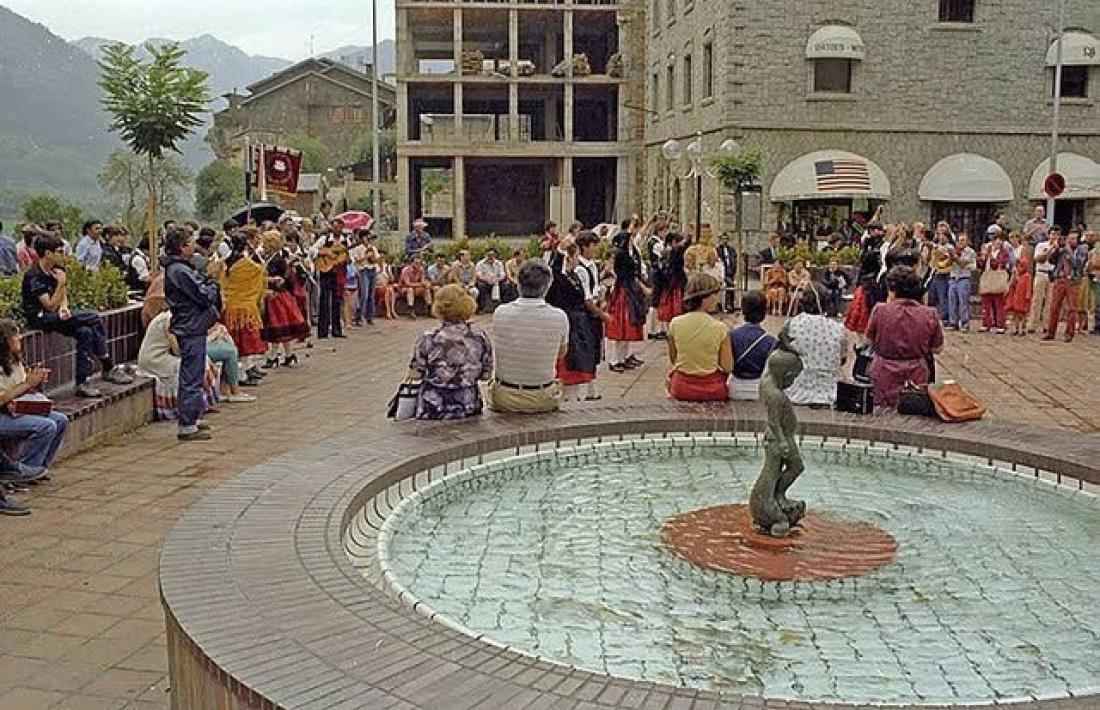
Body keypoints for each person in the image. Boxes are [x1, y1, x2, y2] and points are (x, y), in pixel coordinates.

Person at [20, 233, 133, 397]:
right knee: (93, 317)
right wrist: (61, 283)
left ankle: (82, 381)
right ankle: (108, 365)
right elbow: (49, 304)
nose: (63, 255)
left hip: (57, 314)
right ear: (48, 253)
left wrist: (64, 307)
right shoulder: (34, 276)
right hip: (41, 317)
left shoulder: (57, 270)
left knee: (85, 333)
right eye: (59, 251)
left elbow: (62, 296)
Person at [162, 228, 224, 441]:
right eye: (190, 242)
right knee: (191, 375)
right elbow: (203, 296)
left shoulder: (181, 269)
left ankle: (192, 417)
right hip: (190, 326)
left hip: (193, 325)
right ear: (181, 246)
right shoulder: (179, 271)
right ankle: (187, 424)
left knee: (195, 374)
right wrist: (213, 280)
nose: (193, 246)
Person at [488, 261, 569, 414]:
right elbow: (561, 353)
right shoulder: (559, 316)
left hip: (504, 395)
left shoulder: (500, 312)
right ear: (547, 286)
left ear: (518, 284)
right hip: (542, 396)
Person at [408, 284, 493, 420]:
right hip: (469, 406)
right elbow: (486, 376)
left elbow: (415, 374)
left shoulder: (429, 337)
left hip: (434, 407)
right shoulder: (479, 337)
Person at [865, 266, 945, 409]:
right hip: (916, 372)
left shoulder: (880, 310)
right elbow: (937, 348)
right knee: (912, 412)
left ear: (892, 289)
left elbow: (868, 340)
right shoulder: (930, 314)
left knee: (881, 412)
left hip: (883, 371)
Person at [0, 319, 67, 482]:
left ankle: (39, 468)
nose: (20, 338)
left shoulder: (15, 361)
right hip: (3, 415)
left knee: (60, 420)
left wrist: (36, 382)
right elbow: (2, 399)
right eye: (15, 336)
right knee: (46, 426)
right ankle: (22, 471)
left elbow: (24, 391)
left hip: (17, 411)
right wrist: (28, 383)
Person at [138, 309, 221, 422]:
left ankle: (203, 403)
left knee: (201, 360)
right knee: (197, 364)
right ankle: (194, 407)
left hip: (164, 356)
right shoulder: (169, 320)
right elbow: (178, 349)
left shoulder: (175, 317)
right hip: (155, 360)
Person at [553, 233, 609, 401]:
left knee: (588, 353)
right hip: (574, 320)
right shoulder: (566, 276)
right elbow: (583, 298)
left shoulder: (576, 274)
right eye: (574, 255)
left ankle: (584, 392)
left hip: (581, 319)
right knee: (575, 357)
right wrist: (602, 314)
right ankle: (570, 397)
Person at [666, 273, 732, 401]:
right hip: (711, 388)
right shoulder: (720, 328)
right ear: (704, 299)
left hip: (681, 387)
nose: (717, 299)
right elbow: (727, 367)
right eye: (715, 295)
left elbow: (674, 359)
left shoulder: (675, 323)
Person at [783, 284, 847, 408]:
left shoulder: (791, 325)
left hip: (796, 392)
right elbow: (842, 359)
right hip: (829, 393)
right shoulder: (838, 329)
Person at [218, 232, 269, 380]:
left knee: (237, 340)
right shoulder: (248, 265)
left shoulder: (225, 262)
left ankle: (247, 368)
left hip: (229, 306)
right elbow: (262, 271)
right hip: (245, 307)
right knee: (246, 342)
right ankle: (242, 372)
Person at [606, 230, 647, 373]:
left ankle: (622, 358)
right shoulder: (621, 254)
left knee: (627, 328)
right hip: (624, 291)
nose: (632, 240)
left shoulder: (627, 253)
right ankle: (614, 359)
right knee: (622, 328)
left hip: (628, 289)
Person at [262, 246, 310, 365]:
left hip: (277, 295)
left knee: (277, 326)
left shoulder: (277, 260)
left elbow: (284, 277)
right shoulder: (276, 258)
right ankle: (289, 354)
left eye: (267, 244)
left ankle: (273, 356)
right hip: (278, 295)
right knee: (282, 327)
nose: (264, 247)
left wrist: (272, 279)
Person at [727, 292, 776, 400]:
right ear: (764, 312)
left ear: (743, 311)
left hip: (735, 388)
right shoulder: (770, 340)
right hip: (758, 389)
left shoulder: (732, 335)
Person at [1043, 229, 1089, 342]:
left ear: (1078, 240)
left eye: (1073, 239)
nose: (1071, 241)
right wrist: (1056, 249)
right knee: (1054, 306)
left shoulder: (1082, 250)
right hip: (1060, 278)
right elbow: (1051, 261)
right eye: (1069, 238)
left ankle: (1069, 333)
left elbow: (1077, 264)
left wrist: (1067, 251)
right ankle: (1051, 332)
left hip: (1073, 281)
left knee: (1071, 308)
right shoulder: (1062, 250)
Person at [310, 224, 347, 339]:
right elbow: (312, 250)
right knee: (324, 300)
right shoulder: (324, 239)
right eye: (335, 227)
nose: (337, 229)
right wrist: (326, 253)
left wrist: (347, 258)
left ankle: (337, 330)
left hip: (338, 272)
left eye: (339, 227)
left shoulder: (345, 241)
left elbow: (349, 256)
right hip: (326, 270)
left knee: (337, 300)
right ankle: (323, 331)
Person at [977, 229, 1011, 334]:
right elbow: (981, 264)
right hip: (988, 276)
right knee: (986, 302)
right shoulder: (987, 251)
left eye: (1000, 240)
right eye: (996, 239)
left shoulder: (1005, 252)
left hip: (998, 276)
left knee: (999, 303)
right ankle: (986, 323)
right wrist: (981, 258)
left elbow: (1003, 263)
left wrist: (995, 260)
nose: (997, 242)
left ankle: (1000, 324)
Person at [1028, 228, 1058, 334]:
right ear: (1049, 235)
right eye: (1053, 234)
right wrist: (1050, 250)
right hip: (1041, 272)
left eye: (1057, 234)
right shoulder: (1041, 245)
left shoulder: (1060, 248)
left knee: (1050, 301)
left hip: (1052, 274)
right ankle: (1032, 324)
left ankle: (1047, 325)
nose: (1054, 236)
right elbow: (1038, 259)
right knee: (1037, 300)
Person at [946, 232, 976, 332]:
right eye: (959, 240)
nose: (961, 242)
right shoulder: (954, 251)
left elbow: (962, 263)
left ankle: (965, 323)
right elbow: (948, 264)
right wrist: (950, 256)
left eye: (963, 240)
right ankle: (953, 322)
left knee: (963, 301)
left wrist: (954, 256)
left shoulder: (970, 252)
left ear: (967, 241)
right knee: (952, 301)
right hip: (953, 277)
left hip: (964, 277)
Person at [351, 231, 380, 326]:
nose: (369, 240)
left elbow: (377, 259)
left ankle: (369, 316)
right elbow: (356, 260)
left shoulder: (373, 248)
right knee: (364, 294)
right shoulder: (358, 248)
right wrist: (366, 256)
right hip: (364, 270)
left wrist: (374, 256)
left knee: (371, 295)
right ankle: (359, 316)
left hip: (373, 270)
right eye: (368, 237)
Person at [1005, 247, 1033, 336]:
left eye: (1021, 266)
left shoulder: (1027, 276)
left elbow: (1028, 287)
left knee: (1023, 315)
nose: (1019, 268)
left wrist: (1028, 296)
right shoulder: (1017, 276)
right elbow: (1012, 286)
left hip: (1023, 298)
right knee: (1016, 314)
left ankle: (1023, 329)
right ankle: (1016, 328)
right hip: (1016, 297)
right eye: (1018, 266)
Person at [475, 248, 506, 313]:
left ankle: (500, 307)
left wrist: (496, 279)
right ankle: (482, 308)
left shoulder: (499, 263)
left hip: (496, 281)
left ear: (495, 255)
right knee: (481, 286)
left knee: (505, 286)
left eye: (492, 255)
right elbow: (479, 274)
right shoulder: (480, 263)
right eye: (488, 255)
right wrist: (487, 279)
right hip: (485, 281)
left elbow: (502, 274)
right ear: (485, 255)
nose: (490, 257)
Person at [376, 254, 398, 319]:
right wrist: (380, 271)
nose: (382, 259)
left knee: (390, 290)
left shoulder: (387, 266)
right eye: (380, 258)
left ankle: (392, 310)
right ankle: (388, 311)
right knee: (388, 290)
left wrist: (389, 273)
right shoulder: (375, 266)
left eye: (383, 258)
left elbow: (392, 279)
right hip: (377, 286)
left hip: (386, 286)